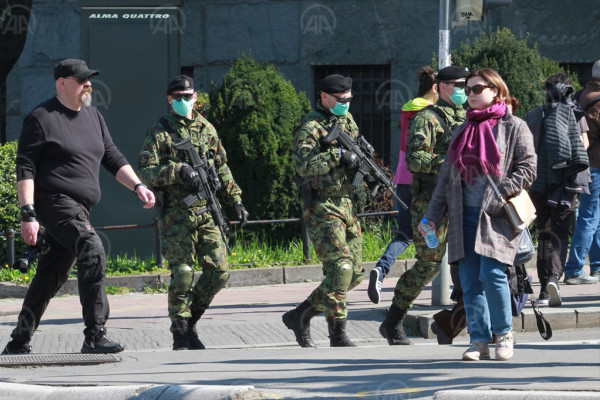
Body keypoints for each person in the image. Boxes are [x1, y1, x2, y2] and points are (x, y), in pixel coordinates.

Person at [1, 59, 156, 355]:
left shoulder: (93, 116)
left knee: (50, 275)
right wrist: (28, 214)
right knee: (92, 249)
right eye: (81, 79)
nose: (88, 84)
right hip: (54, 203)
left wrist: (138, 186)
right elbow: (26, 169)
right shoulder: (41, 118)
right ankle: (95, 334)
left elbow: (112, 157)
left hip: (80, 208)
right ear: (62, 83)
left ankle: (19, 340)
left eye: (89, 79)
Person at [423, 68, 537, 361]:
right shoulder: (463, 129)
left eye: (476, 89)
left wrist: (502, 193)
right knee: (470, 282)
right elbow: (446, 179)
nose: (470, 94)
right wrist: (432, 217)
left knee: (492, 275)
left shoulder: (514, 126)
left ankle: (504, 334)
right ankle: (479, 340)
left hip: (496, 217)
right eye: (468, 89)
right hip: (465, 217)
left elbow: (528, 168)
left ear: (495, 91)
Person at [137, 75, 249, 351]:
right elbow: (146, 172)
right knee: (184, 272)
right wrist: (177, 171)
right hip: (177, 214)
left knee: (219, 272)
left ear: (196, 97)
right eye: (178, 98)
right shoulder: (159, 132)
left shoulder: (207, 129)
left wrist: (235, 199)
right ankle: (180, 333)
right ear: (169, 99)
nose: (184, 102)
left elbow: (221, 166)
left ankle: (190, 320)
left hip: (207, 211)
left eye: (188, 97)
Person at [379, 65, 468, 346]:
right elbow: (415, 160)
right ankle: (393, 320)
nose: (464, 90)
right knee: (429, 264)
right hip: (431, 203)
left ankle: (467, 322)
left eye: (467, 84)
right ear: (442, 87)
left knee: (471, 261)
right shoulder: (426, 118)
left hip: (464, 200)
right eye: (459, 84)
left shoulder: (468, 117)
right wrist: (452, 163)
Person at [283, 74, 364, 347]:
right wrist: (337, 156)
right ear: (325, 97)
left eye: (349, 100)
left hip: (347, 204)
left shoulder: (346, 120)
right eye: (341, 100)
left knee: (354, 272)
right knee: (340, 268)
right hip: (322, 205)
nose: (346, 104)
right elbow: (303, 166)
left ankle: (301, 313)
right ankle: (337, 332)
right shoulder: (310, 126)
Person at [368, 66, 438, 304]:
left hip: (403, 180)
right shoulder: (432, 113)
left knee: (405, 233)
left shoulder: (408, 109)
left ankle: (381, 270)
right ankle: (447, 285)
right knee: (437, 233)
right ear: (436, 88)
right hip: (424, 181)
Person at [525, 73, 590, 306]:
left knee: (544, 234)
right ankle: (553, 278)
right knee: (560, 234)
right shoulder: (573, 112)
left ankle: (543, 288)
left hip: (538, 183)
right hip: (567, 182)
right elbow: (584, 145)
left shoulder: (533, 114)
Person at [564, 59, 600, 284]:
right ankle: (575, 269)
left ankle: (596, 267)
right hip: (596, 165)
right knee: (589, 218)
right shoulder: (597, 101)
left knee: (594, 218)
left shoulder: (578, 96)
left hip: (581, 164)